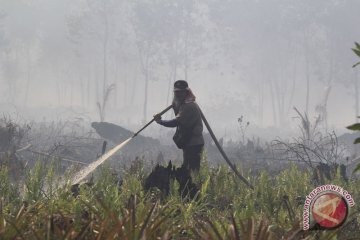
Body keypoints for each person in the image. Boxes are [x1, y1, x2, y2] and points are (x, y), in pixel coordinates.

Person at [153, 80, 204, 171]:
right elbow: (178, 113)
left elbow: (175, 122)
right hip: (189, 143)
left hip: (194, 144)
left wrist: (160, 121)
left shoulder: (189, 106)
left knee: (192, 171)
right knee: (187, 169)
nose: (178, 95)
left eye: (181, 92)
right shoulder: (183, 105)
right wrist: (175, 103)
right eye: (176, 93)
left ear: (186, 92)